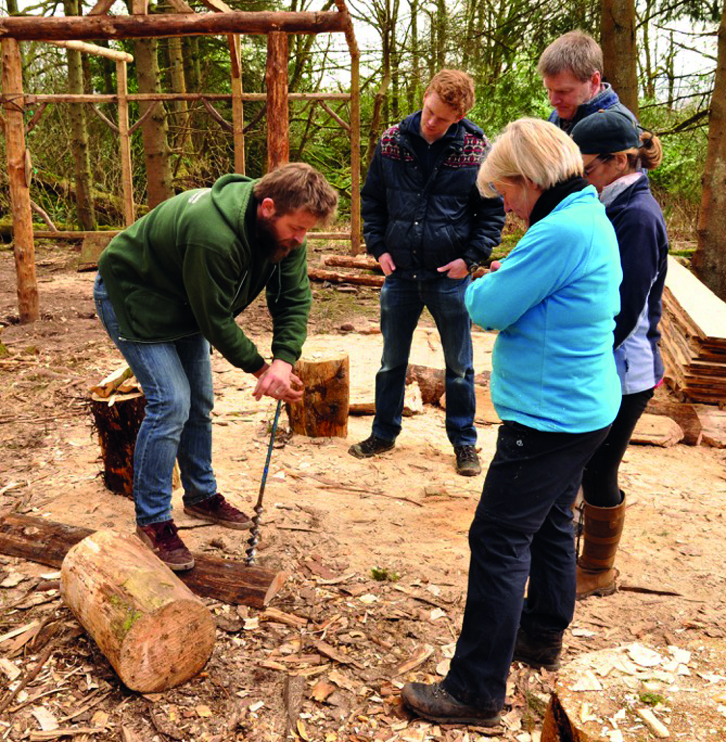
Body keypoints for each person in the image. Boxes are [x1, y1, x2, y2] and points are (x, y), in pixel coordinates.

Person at [400, 119, 622, 726]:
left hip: (551, 417)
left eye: (508, 193)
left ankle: (474, 691)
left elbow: (492, 309)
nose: (510, 207)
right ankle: (543, 630)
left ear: (530, 178)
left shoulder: (558, 231)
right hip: (581, 408)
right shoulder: (587, 212)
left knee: (497, 540)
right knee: (551, 521)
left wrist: (481, 282)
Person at [94, 164, 339, 571]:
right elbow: (215, 319)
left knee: (199, 400)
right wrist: (261, 369)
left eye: (306, 231)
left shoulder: (289, 237)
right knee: (171, 402)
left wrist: (283, 359)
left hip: (183, 301)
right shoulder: (213, 234)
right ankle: (153, 521)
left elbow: (293, 299)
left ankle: (201, 496)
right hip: (133, 294)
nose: (300, 239)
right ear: (268, 208)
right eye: (295, 228)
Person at [348, 69, 505, 477]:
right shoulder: (390, 141)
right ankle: (383, 433)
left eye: (443, 118)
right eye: (429, 111)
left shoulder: (476, 148)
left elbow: (491, 213)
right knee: (390, 362)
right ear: (426, 94)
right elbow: (372, 199)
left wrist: (469, 260)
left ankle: (464, 443)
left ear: (459, 117)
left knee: (459, 366)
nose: (431, 122)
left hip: (449, 277)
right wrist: (378, 246)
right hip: (399, 274)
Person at [570, 110, 668, 599]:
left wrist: (582, 354)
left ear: (614, 161)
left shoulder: (637, 216)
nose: (581, 178)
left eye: (586, 168)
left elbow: (623, 308)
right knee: (581, 463)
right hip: (605, 360)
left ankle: (598, 568)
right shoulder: (610, 204)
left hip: (626, 366)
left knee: (599, 468)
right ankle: (572, 555)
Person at [538, 29, 637, 135]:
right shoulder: (556, 118)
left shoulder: (618, 127)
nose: (553, 101)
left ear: (594, 82)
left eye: (563, 91)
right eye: (549, 89)